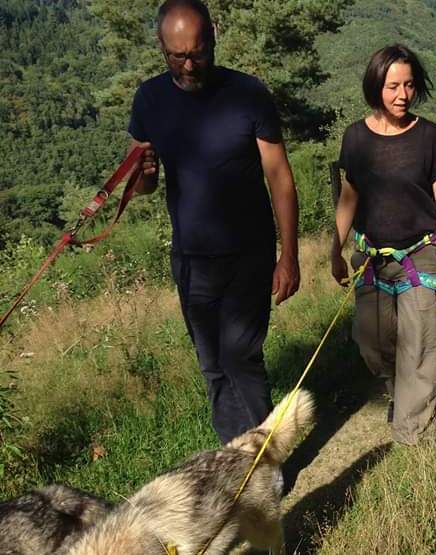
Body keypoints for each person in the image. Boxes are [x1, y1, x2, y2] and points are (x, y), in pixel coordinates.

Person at [127, 0, 300, 444]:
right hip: (191, 258)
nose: (189, 64)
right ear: (161, 47)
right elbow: (143, 185)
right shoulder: (148, 99)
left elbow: (279, 177)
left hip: (249, 253)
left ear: (214, 37)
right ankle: (234, 457)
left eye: (198, 52)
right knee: (212, 365)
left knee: (240, 356)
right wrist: (143, 176)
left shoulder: (248, 93)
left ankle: (267, 458)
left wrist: (290, 256)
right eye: (177, 55)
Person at [330, 44, 436, 446]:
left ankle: (415, 430)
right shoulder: (355, 138)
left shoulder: (428, 136)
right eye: (393, 86)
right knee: (374, 343)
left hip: (421, 253)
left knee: (421, 343)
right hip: (371, 256)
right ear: (376, 86)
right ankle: (404, 391)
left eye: (409, 85)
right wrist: (334, 250)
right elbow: (349, 197)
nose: (402, 95)